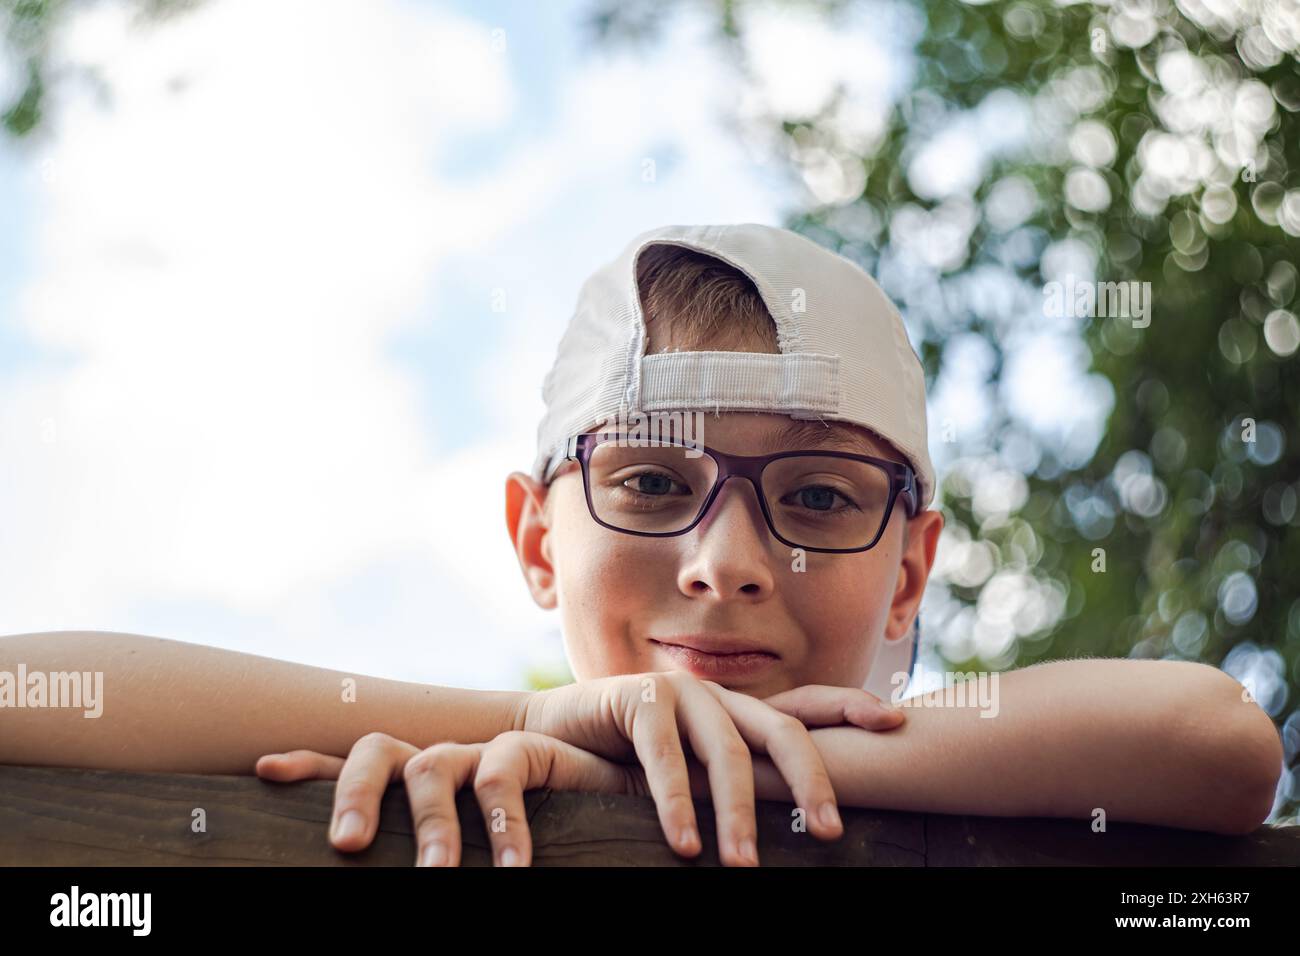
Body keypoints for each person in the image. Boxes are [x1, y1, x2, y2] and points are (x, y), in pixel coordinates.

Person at [0, 224, 1283, 867]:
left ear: (909, 566)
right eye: (655, 478)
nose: (724, 558)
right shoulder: (482, 768)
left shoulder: (970, 774)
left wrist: (746, 759)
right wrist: (557, 719)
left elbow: (1217, 736)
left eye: (822, 496)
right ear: (536, 537)